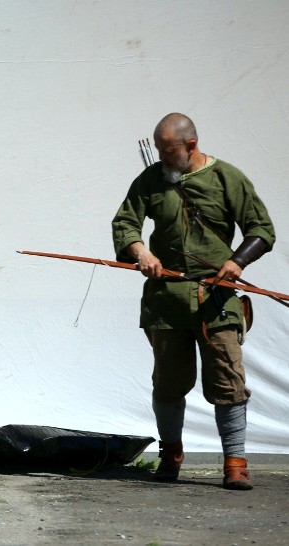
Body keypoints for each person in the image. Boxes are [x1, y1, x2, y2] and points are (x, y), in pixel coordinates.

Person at [112, 113, 275, 490]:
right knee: (167, 384)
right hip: (166, 302)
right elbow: (124, 223)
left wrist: (236, 262)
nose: (162, 158)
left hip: (216, 300)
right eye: (158, 151)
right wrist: (141, 252)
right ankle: (171, 454)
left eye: (168, 151)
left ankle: (235, 462)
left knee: (228, 380)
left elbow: (261, 229)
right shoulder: (151, 180)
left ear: (190, 146)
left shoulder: (226, 178)